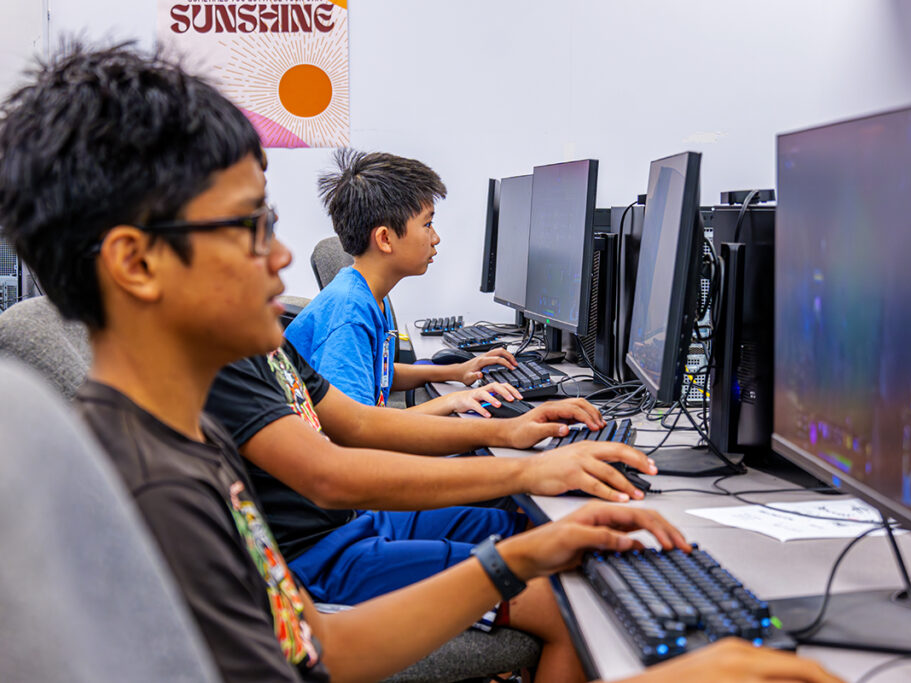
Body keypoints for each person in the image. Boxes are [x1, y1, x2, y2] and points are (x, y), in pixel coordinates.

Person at [0, 42, 843, 683]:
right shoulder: (154, 491)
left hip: (335, 589)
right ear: (135, 262)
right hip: (339, 552)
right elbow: (330, 525)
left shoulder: (180, 443)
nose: (283, 256)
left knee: (567, 575)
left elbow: (317, 646)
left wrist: (514, 558)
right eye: (250, 226)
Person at [286, 148, 521, 417]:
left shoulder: (372, 295)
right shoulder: (349, 313)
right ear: (385, 239)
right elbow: (360, 429)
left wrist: (456, 371)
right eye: (427, 224)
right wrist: (453, 401)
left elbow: (378, 372)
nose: (435, 238)